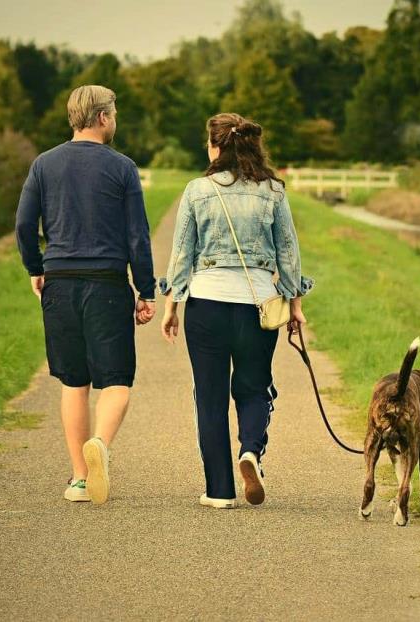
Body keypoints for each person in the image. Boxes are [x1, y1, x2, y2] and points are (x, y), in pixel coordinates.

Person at [159, 112, 313, 509]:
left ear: (215, 146)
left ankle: (219, 491)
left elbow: (182, 254)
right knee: (254, 386)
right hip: (259, 305)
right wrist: (295, 305)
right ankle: (251, 450)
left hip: (206, 304)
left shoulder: (196, 191)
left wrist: (171, 306)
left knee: (209, 397)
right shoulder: (274, 191)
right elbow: (289, 254)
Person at [15, 85, 156, 505]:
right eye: (113, 114)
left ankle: (79, 477)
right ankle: (100, 444)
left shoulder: (43, 164)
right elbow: (137, 236)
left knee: (74, 382)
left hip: (59, 281)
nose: (114, 121)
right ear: (101, 118)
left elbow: (24, 224)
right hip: (106, 284)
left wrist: (35, 268)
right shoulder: (122, 168)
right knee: (116, 381)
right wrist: (145, 290)